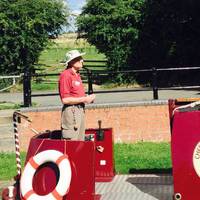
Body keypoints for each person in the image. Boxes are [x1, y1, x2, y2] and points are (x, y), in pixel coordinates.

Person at [58, 50, 95, 140]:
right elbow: (65, 100)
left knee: (80, 140)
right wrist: (84, 99)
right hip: (71, 112)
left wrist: (86, 98)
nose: (82, 60)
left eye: (81, 58)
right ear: (71, 62)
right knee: (71, 141)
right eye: (78, 58)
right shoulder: (66, 75)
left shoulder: (77, 75)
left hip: (80, 110)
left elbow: (75, 95)